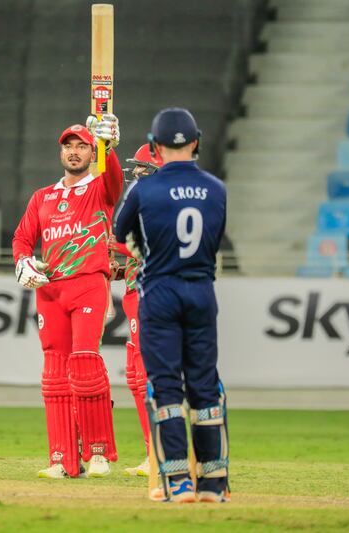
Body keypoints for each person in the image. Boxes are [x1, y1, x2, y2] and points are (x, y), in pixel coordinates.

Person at [114, 108, 230, 503]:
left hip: (160, 291)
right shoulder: (217, 188)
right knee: (204, 386)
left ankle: (177, 480)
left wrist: (147, 251)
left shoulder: (144, 189)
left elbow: (119, 232)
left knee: (165, 386)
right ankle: (214, 482)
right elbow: (213, 240)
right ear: (196, 141)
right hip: (201, 290)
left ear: (156, 146)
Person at [12, 114, 123, 479]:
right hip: (51, 289)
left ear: (92, 153)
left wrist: (109, 147)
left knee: (86, 365)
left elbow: (115, 182)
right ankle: (61, 458)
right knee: (55, 374)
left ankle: (98, 453)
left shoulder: (99, 189)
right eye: (68, 147)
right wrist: (23, 262)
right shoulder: (43, 197)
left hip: (88, 283)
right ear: (61, 152)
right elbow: (22, 239)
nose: (74, 153)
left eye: (82, 147)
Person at [109, 143, 163, 477]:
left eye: (144, 168)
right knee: (136, 378)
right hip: (135, 292)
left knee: (148, 377)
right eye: (137, 168)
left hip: (149, 295)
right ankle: (153, 453)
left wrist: (101, 237)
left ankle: (161, 454)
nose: (137, 174)